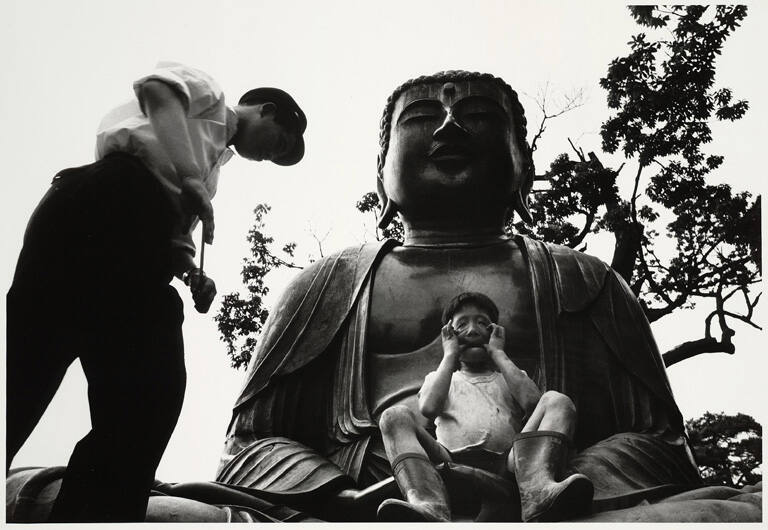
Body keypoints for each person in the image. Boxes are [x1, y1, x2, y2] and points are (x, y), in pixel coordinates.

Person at [215, 71, 707, 522]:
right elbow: (249, 445)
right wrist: (336, 494)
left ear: (524, 164)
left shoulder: (582, 278)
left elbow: (661, 443)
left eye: (478, 117)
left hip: (558, 496)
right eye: (423, 118)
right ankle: (418, 500)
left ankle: (539, 489)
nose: (449, 128)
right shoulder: (328, 284)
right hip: (378, 499)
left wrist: (569, 478)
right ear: (381, 171)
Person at [6, 61, 307, 522]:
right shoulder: (209, 98)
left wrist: (191, 273)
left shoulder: (212, 169)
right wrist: (189, 175)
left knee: (147, 399)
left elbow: (170, 236)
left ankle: (91, 515)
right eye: (278, 144)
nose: (267, 157)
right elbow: (158, 90)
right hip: (103, 201)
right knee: (26, 373)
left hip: (138, 246)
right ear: (266, 111)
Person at [377, 292, 593, 522]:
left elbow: (533, 402)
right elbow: (429, 408)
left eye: (482, 323)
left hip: (510, 465)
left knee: (557, 401)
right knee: (393, 416)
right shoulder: (441, 377)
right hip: (450, 463)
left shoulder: (509, 376)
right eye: (462, 325)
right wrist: (450, 355)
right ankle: (428, 503)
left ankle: (538, 491)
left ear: (493, 331)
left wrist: (498, 354)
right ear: (450, 335)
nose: (472, 331)